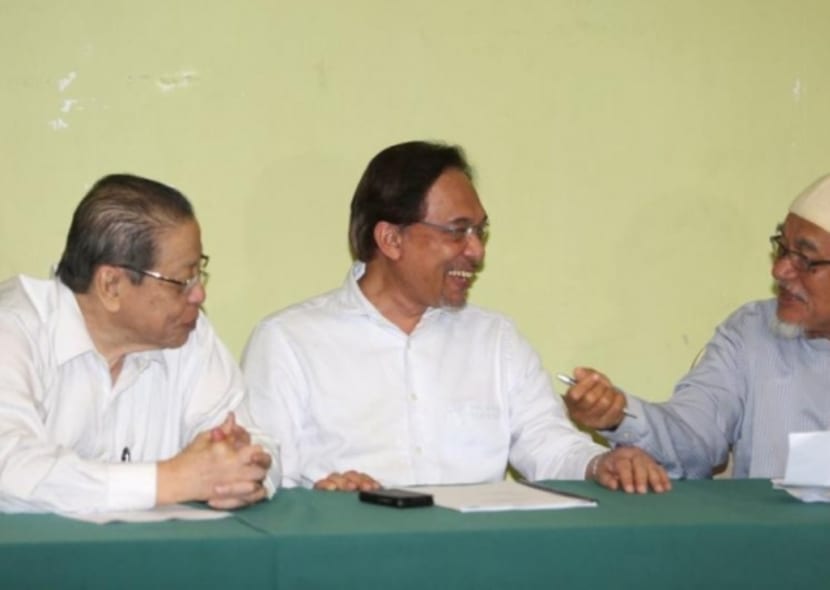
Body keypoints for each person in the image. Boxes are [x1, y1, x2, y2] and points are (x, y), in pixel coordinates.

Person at [243, 141, 669, 494]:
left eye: (480, 231)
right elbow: (264, 470)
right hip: (349, 554)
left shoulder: (495, 339)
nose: (476, 251)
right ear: (391, 239)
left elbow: (548, 445)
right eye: (457, 231)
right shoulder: (289, 340)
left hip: (478, 556)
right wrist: (323, 498)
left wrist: (600, 463)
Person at [0, 174, 275, 513]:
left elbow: (256, 438)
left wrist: (243, 470)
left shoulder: (189, 335)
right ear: (111, 285)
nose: (199, 294)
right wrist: (171, 480)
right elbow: (9, 468)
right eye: (182, 280)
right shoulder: (13, 329)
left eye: (198, 274)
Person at [564, 173, 830, 479]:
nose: (780, 270)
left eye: (805, 259)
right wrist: (620, 416)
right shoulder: (752, 331)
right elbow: (693, 436)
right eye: (782, 249)